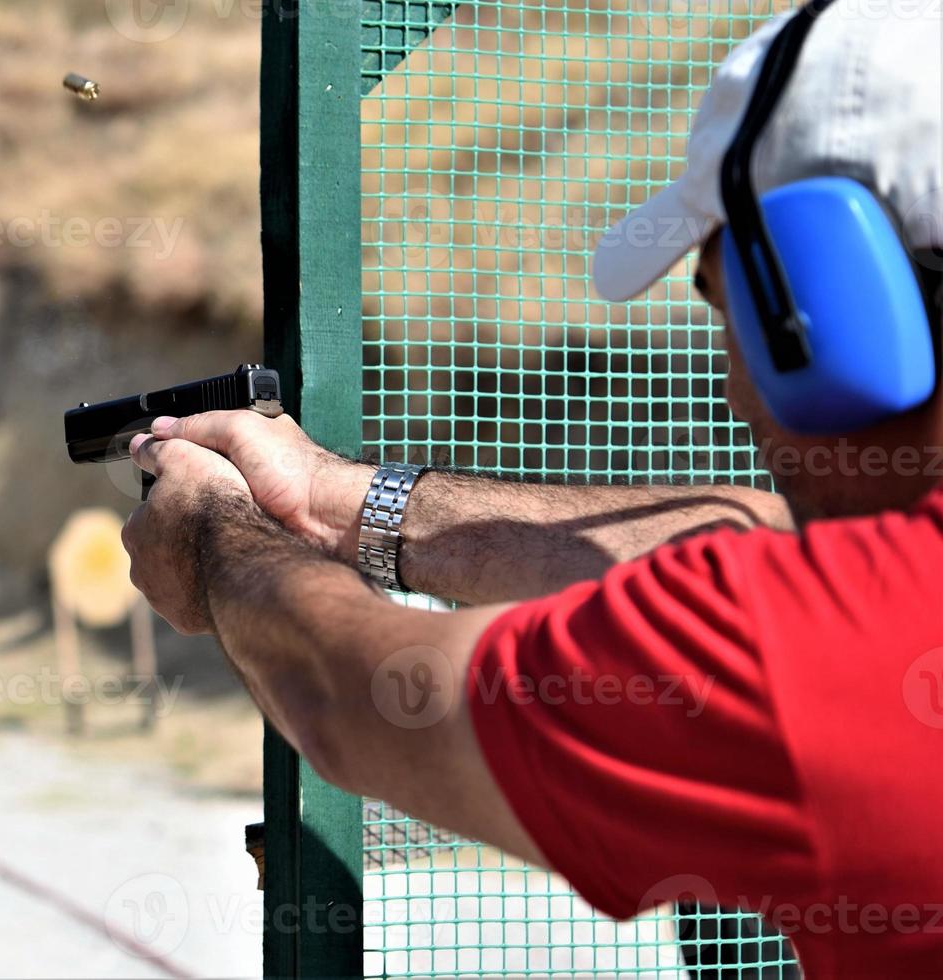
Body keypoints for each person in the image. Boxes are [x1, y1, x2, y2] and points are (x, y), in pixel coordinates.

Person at [119, 2, 943, 977]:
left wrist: (216, 537)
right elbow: (749, 540)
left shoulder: (826, 655)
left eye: (738, 315)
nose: (731, 381)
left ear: (832, 302)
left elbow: (361, 698)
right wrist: (329, 499)